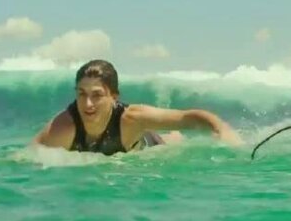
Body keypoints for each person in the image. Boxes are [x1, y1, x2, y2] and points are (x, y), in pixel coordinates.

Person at [31, 59, 243, 154]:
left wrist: (222, 130)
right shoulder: (64, 127)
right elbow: (28, 156)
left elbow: (191, 117)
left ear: (114, 97)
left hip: (147, 144)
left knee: (170, 142)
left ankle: (173, 137)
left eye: (97, 95)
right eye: (81, 94)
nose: (87, 104)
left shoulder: (132, 118)